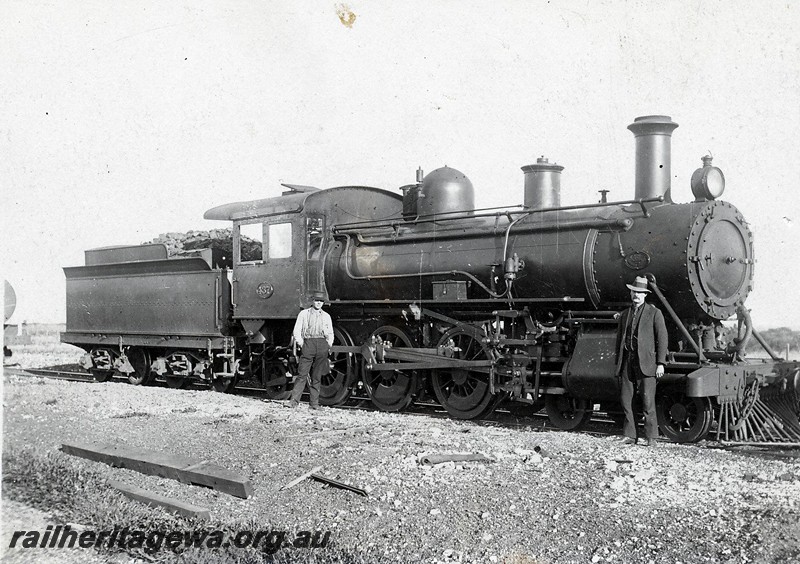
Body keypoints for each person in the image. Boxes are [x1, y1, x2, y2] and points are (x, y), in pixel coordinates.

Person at [618, 276, 668, 446]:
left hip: (647, 363)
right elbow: (619, 340)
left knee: (648, 401)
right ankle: (630, 435)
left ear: (645, 295)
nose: (636, 295)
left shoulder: (655, 313)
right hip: (627, 361)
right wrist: (618, 363)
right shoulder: (625, 314)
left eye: (640, 293)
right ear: (631, 293)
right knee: (627, 400)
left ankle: (651, 437)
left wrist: (660, 363)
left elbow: (662, 339)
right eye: (634, 292)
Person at [289, 292, 334, 410]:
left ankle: (314, 404)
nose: (319, 303)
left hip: (322, 343)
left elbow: (330, 333)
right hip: (308, 343)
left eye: (321, 301)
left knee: (317, 376)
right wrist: (302, 343)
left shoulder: (326, 316)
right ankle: (294, 401)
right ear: (312, 301)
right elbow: (297, 330)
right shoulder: (304, 314)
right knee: (302, 374)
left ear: (323, 303)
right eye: (317, 300)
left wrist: (328, 344)